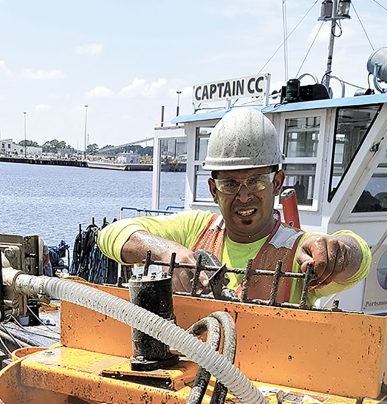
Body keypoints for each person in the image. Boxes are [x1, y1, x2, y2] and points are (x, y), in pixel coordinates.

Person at [98, 108, 371, 305]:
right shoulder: (194, 229)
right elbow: (111, 234)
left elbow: (357, 266)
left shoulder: (297, 250)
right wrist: (168, 252)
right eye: (230, 183)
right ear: (213, 190)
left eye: (256, 182)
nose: (243, 196)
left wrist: (341, 250)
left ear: (277, 183)